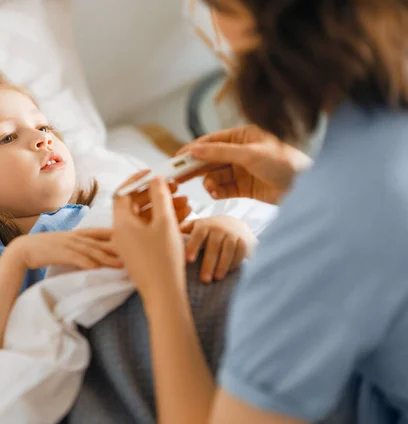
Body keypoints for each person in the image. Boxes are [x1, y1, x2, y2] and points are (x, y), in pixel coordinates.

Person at [0, 64, 257, 385]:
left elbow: (178, 251)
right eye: (8, 138)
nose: (42, 139)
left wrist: (225, 229)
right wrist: (20, 258)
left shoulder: (106, 212)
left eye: (44, 127)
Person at [111, 0, 408, 423]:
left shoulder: (333, 221)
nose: (210, 26)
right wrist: (303, 183)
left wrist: (161, 288)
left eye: (218, 9)